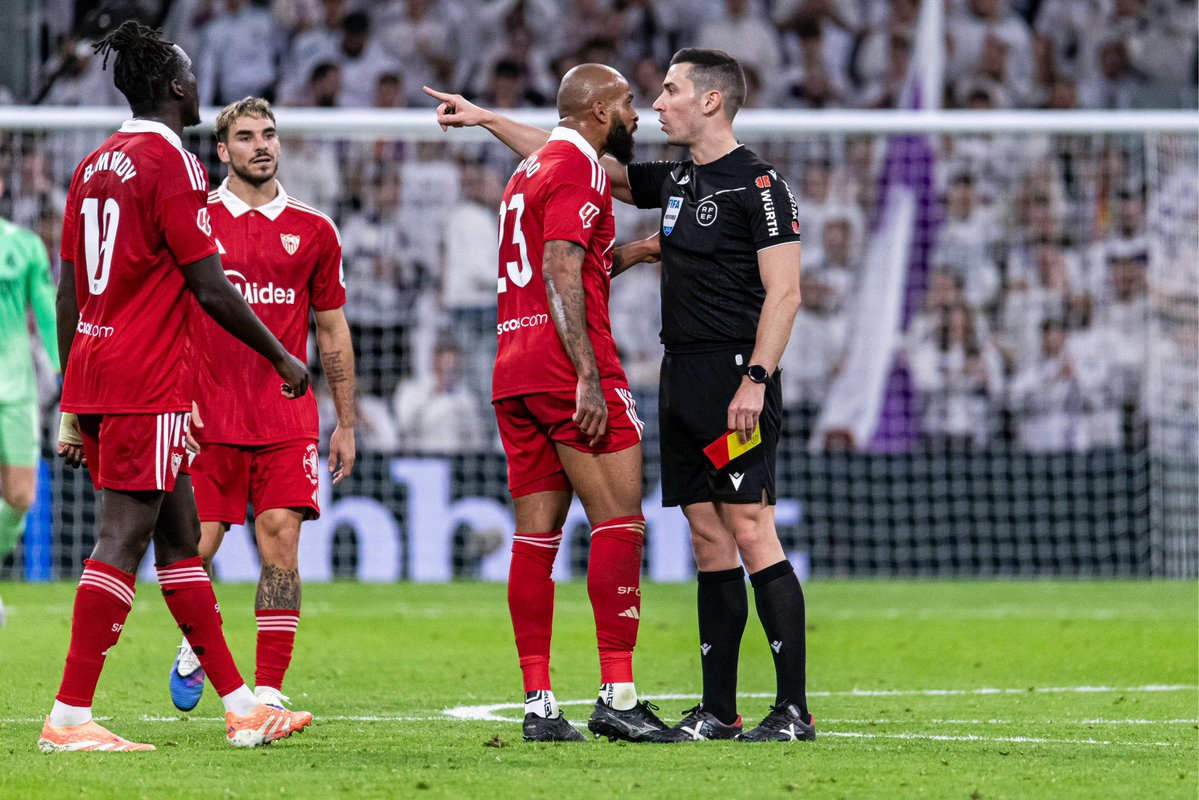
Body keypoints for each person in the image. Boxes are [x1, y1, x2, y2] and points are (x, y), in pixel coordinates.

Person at [427, 47, 813, 743]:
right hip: (682, 379)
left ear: (711, 101)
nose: (656, 104)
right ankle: (718, 709)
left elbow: (785, 292)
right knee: (704, 536)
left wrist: (756, 378)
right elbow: (571, 147)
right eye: (649, 96)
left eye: (668, 91)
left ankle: (791, 709)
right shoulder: (675, 177)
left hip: (735, 380)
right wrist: (488, 120)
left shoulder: (758, 185)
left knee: (751, 528)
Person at [41, 21, 314, 752]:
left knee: (182, 539)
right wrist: (283, 358)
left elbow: (68, 292)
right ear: (176, 87)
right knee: (122, 539)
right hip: (147, 378)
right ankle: (69, 716)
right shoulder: (176, 167)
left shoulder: (94, 162)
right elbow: (210, 286)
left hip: (101, 373)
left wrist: (74, 396)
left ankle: (242, 706)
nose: (198, 82)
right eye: (191, 73)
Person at [425, 65, 665, 743]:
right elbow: (561, 267)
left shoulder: (529, 172)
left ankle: (539, 705)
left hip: (513, 366)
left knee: (536, 539)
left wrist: (639, 252)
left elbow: (574, 262)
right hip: (566, 365)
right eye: (625, 105)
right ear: (595, 113)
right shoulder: (581, 171)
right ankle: (618, 694)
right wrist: (587, 376)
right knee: (620, 523)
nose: (636, 116)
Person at [167, 97, 356, 714]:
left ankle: (269, 689)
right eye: (245, 137)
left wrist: (346, 422)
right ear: (222, 150)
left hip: (285, 416)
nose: (261, 145)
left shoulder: (315, 229)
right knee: (197, 545)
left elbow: (332, 329)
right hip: (204, 412)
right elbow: (166, 316)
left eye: (268, 134)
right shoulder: (195, 220)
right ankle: (198, 643)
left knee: (281, 545)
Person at [0, 174, 59, 627]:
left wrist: (69, 376)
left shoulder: (25, 247)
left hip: (16, 388)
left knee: (21, 497)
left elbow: (47, 316)